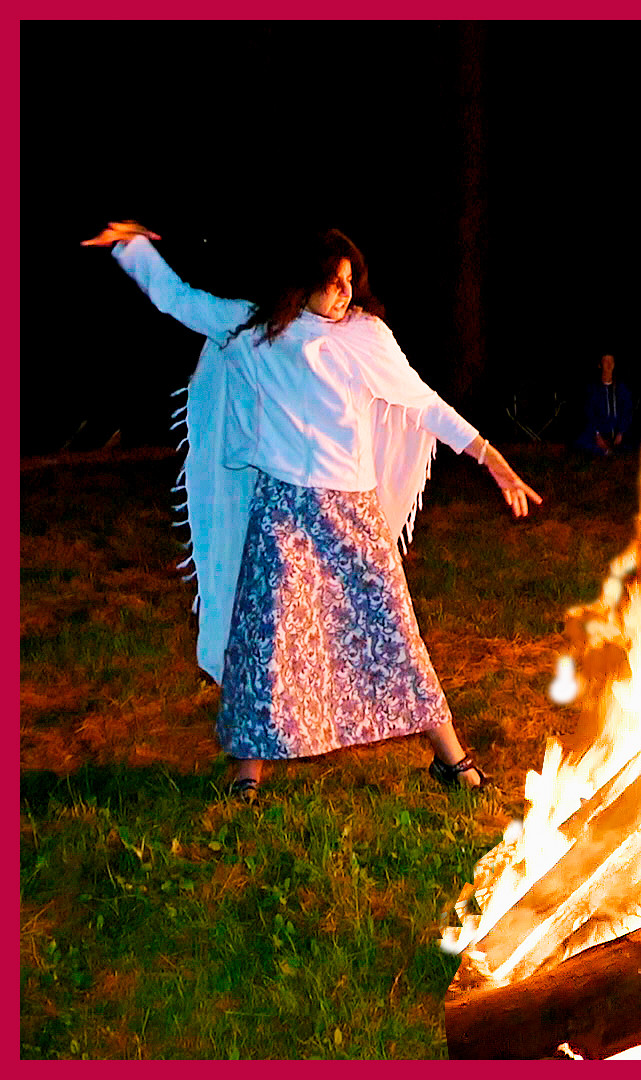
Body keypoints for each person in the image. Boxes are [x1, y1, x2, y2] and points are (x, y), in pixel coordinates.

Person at [85, 220, 543, 800]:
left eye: (350, 280)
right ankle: (247, 773)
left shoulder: (366, 335)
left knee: (391, 628)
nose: (344, 291)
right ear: (301, 284)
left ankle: (449, 757)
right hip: (281, 511)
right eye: (332, 281)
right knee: (266, 641)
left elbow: (423, 402)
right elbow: (180, 302)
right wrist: (131, 249)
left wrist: (492, 459)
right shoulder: (256, 331)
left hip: (352, 510)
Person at [574, 352, 635, 456]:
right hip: (599, 433)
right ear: (600, 365)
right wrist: (597, 435)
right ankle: (606, 452)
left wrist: (620, 432)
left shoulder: (621, 388)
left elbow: (627, 411)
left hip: (618, 433)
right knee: (579, 442)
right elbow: (589, 414)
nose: (609, 364)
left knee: (638, 441)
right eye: (606, 361)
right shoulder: (593, 389)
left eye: (611, 361)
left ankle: (615, 450)